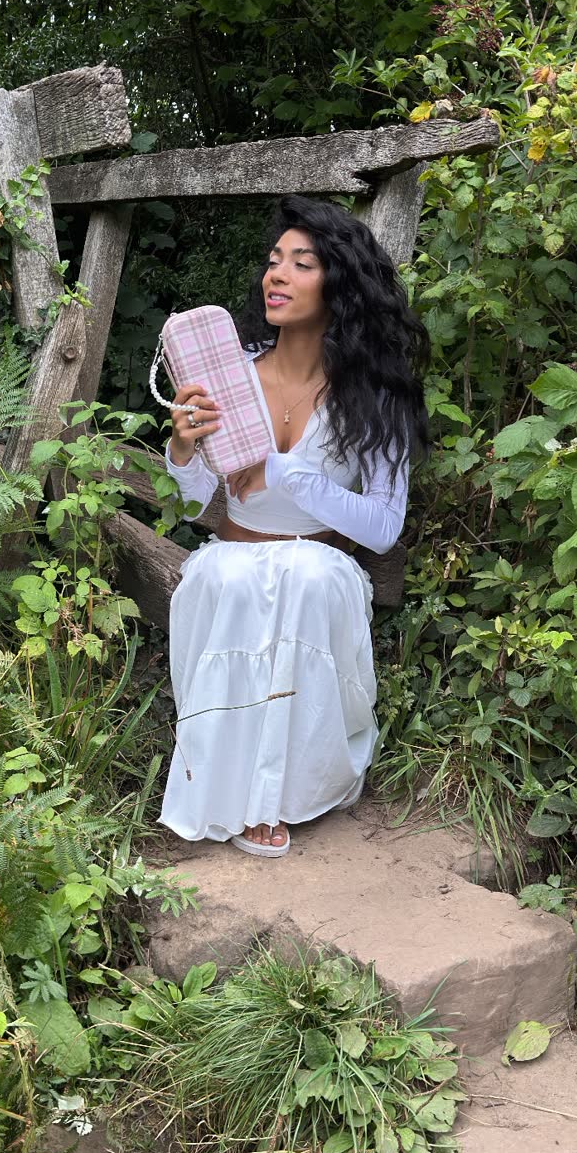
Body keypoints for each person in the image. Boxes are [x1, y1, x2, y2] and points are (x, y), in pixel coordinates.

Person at [159, 192, 430, 858]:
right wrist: (184, 448)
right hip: (234, 553)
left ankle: (275, 794)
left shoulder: (374, 393)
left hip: (318, 561)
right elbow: (195, 505)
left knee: (306, 576)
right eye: (274, 260)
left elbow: (382, 527)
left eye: (301, 264)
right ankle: (224, 783)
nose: (276, 275)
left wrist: (285, 473)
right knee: (221, 578)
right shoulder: (232, 373)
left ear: (339, 285)